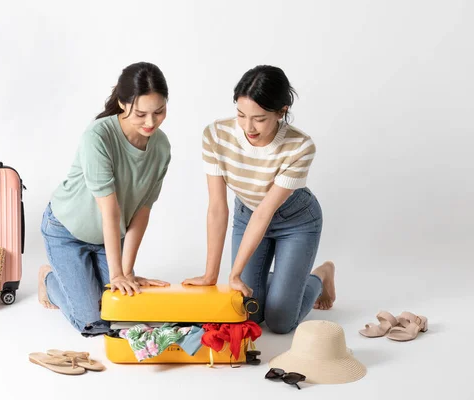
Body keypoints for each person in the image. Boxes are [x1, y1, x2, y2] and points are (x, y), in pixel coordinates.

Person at [183, 65, 336, 334]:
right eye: (241, 115)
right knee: (249, 316)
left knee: (279, 322)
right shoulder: (216, 136)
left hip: (296, 222)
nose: (248, 127)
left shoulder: (300, 146)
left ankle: (320, 275)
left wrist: (235, 273)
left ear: (281, 111)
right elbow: (217, 208)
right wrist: (211, 275)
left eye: (260, 118)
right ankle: (284, 282)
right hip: (247, 217)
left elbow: (265, 212)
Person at [39, 62, 171, 335]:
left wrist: (128, 271)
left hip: (108, 238)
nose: (150, 122)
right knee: (93, 320)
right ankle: (49, 280)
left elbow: (141, 212)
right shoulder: (98, 136)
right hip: (68, 231)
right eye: (141, 114)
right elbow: (109, 211)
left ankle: (90, 278)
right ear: (123, 104)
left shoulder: (161, 146)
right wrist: (116, 275)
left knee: (118, 313)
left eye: (158, 112)